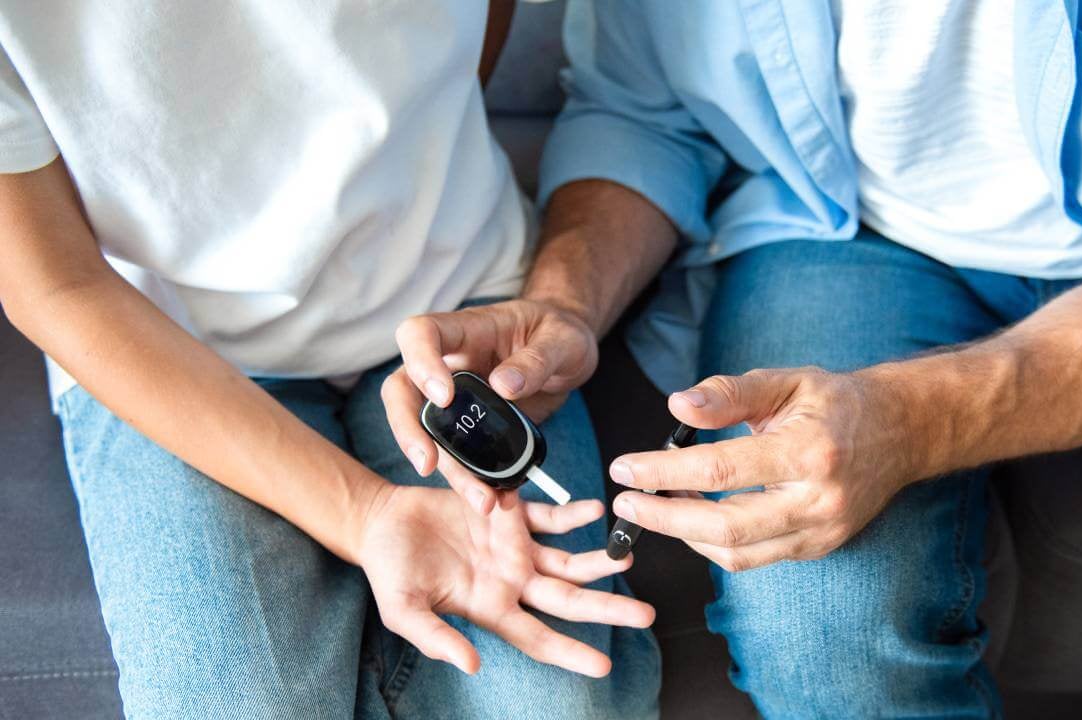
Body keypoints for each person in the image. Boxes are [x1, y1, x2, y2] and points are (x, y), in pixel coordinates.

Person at [385, 1, 1082, 717]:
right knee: (817, 611)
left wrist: (912, 421)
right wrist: (566, 301)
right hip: (838, 223)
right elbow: (642, 111)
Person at [0, 2, 660, 718]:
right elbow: (54, 282)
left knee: (559, 705)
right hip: (164, 343)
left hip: (458, 306)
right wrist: (364, 514)